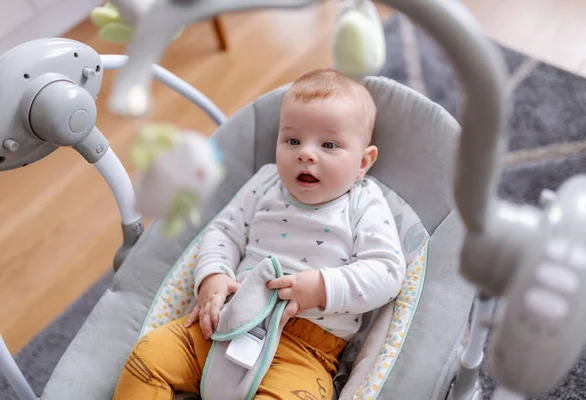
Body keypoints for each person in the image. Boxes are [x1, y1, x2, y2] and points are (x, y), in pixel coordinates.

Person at [113, 68, 406, 400]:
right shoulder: (266, 182)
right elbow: (223, 232)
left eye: (329, 144)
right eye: (292, 140)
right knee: (148, 357)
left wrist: (322, 287)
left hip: (305, 349)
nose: (306, 154)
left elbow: (387, 271)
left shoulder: (364, 202)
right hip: (225, 320)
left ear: (363, 162)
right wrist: (213, 277)